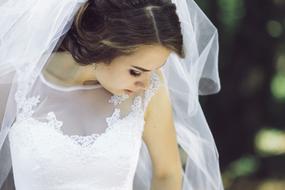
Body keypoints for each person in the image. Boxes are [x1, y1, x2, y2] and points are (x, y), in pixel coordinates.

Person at [0, 0, 224, 189]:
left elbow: (167, 173)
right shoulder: (15, 84)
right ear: (103, 46)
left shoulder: (150, 91)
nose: (146, 83)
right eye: (136, 71)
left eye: (154, 69)